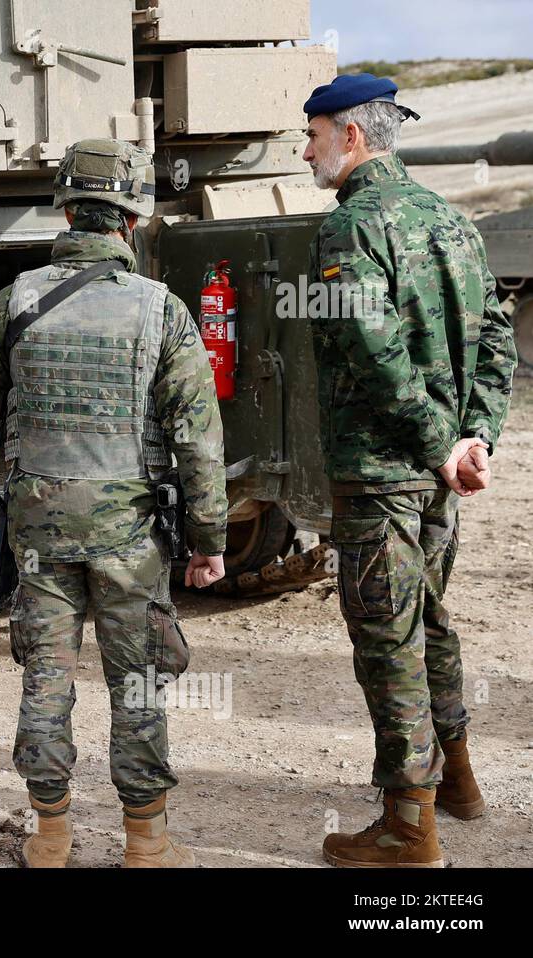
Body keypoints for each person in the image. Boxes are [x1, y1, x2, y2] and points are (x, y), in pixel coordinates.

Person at [0, 139, 227, 868]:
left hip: (39, 535)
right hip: (131, 535)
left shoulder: (15, 301)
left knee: (46, 679)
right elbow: (198, 439)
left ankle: (52, 838)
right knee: (137, 683)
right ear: (131, 220)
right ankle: (147, 845)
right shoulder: (162, 311)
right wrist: (209, 538)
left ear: (67, 209)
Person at [302, 74, 518, 867]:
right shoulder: (452, 221)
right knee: (427, 620)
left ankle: (406, 829)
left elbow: (374, 351)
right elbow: (500, 340)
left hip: (383, 472)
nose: (307, 150)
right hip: (437, 478)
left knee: (387, 642)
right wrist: (473, 440)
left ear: (353, 136)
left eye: (316, 135)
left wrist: (438, 443)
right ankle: (455, 783)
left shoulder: (350, 228)